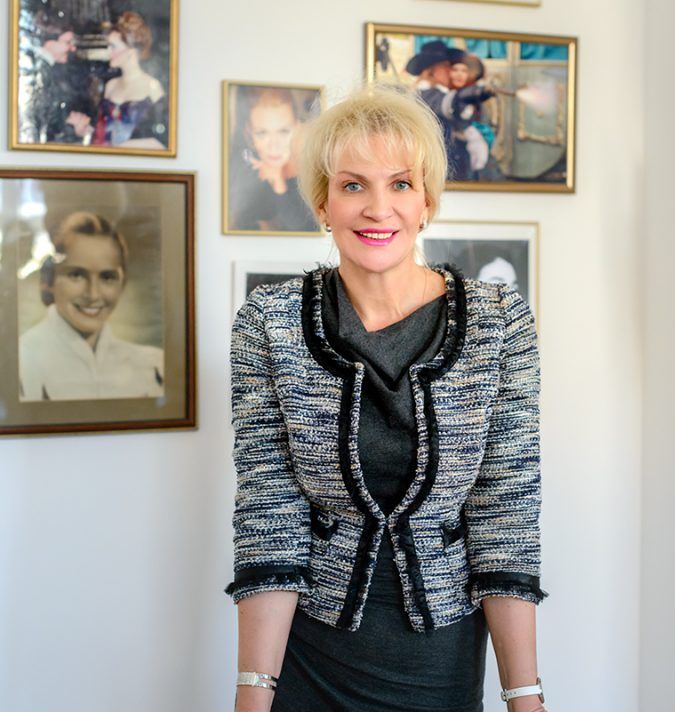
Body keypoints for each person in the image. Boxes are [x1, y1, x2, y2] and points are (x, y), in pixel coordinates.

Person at [226, 84, 547, 712]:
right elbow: (269, 514)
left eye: (400, 183)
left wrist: (525, 695)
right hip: (308, 657)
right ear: (323, 202)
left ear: (426, 201)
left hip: (440, 659)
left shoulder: (499, 321)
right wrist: (252, 695)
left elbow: (505, 513)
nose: (379, 208)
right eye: (353, 185)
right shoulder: (269, 323)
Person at [19, 211, 164, 401]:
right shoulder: (22, 361)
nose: (93, 294)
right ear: (49, 281)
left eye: (107, 277)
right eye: (76, 275)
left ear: (122, 284)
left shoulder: (153, 367)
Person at [228, 87, 319, 232]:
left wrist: (279, 184)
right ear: (248, 133)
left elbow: (308, 230)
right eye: (262, 133)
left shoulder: (311, 176)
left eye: (283, 131)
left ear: (297, 128)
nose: (274, 145)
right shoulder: (241, 175)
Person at [89, 11, 168, 149]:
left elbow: (164, 142)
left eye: (113, 46)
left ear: (131, 50)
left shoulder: (152, 86)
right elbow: (101, 134)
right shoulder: (111, 85)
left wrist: (124, 147)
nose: (109, 51)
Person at [17, 10, 93, 145]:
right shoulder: (33, 70)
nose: (73, 48)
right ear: (49, 42)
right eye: (68, 42)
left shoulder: (48, 68)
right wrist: (71, 128)